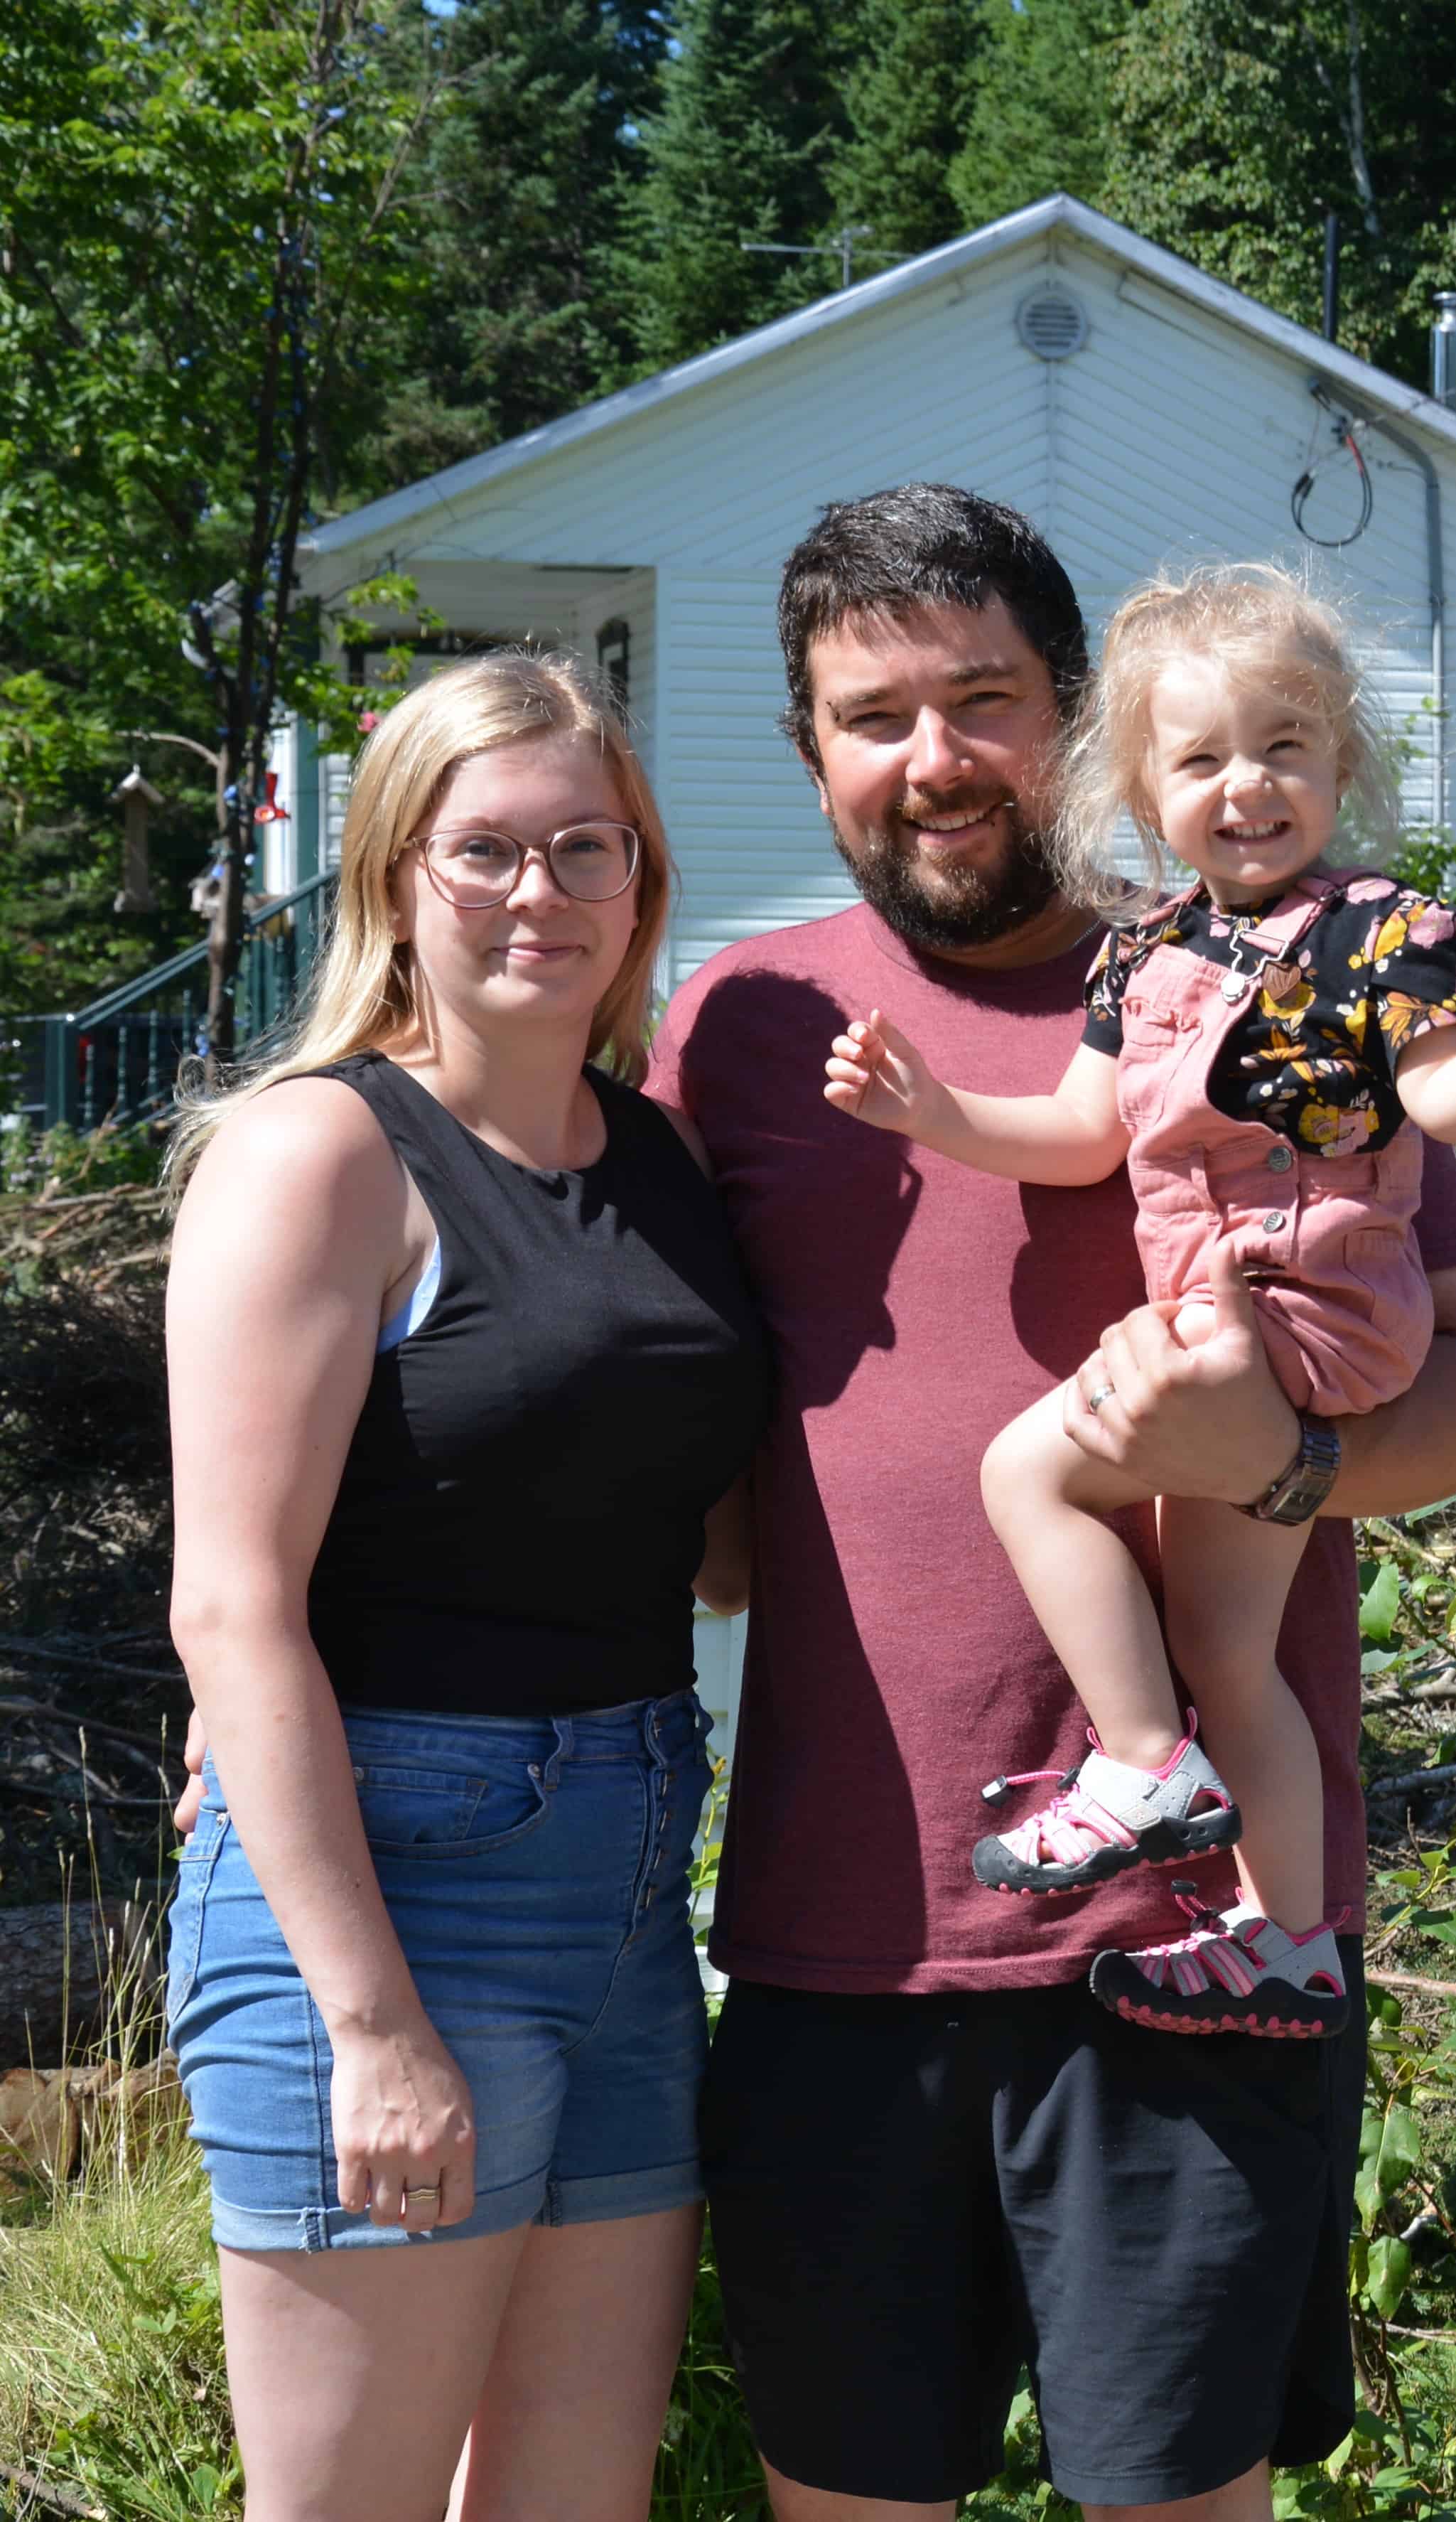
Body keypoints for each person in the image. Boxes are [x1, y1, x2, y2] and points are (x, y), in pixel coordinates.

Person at [650, 484, 1456, 2517]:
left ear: (1075, 720)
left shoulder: (1264, 976)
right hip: (845, 1939)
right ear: (809, 748)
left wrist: (1287, 1462)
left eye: (983, 700)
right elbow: (610, 1410)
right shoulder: (747, 1030)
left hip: (1194, 1946)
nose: (935, 758)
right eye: (874, 716)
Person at [817, 560, 1456, 2035]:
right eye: (1202, 760)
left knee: (1025, 1473)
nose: (1248, 785)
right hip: (1237, 1328)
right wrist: (932, 1112)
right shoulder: (1144, 948)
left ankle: (1139, 1763)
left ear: (1339, 762)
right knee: (1229, 1652)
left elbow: (1440, 1099)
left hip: (1302, 1304)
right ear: (1141, 792)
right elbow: (1081, 1135)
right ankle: (1287, 1939)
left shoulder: (1382, 932)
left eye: (1284, 747)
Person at [161, 650, 767, 2521]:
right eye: (485, 847)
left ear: (640, 880)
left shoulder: (664, 1157)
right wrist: (368, 2020)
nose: (539, 891)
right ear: (394, 876)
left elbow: (712, 1540)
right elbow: (230, 1605)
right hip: (391, 1887)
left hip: (631, 1872)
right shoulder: (321, 1151)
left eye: (587, 846)